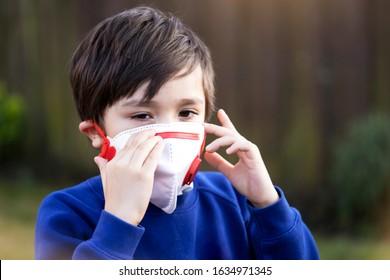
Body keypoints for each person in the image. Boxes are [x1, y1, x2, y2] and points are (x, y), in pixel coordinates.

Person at [35, 6, 319, 260]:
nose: (169, 133)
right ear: (95, 132)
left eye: (186, 113)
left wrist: (267, 204)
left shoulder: (233, 201)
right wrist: (118, 222)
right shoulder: (67, 212)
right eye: (142, 115)